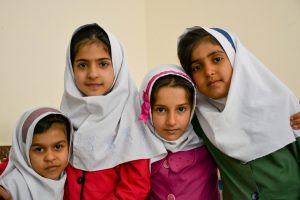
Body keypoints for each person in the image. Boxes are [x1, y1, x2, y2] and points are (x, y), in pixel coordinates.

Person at [177, 26, 300, 200]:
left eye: (217, 59)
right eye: (197, 67)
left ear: (237, 59)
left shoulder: (282, 103)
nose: (208, 71)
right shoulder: (198, 118)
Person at [60, 23, 163, 200]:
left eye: (103, 64)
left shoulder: (130, 118)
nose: (93, 74)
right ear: (71, 69)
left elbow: (135, 187)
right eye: (83, 65)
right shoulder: (65, 116)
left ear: (118, 66)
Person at [138, 64, 219, 200]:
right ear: (148, 109)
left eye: (181, 109)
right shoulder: (138, 152)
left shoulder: (210, 145)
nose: (171, 121)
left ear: (192, 107)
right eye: (161, 110)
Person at [0, 107, 71, 200]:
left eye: (58, 147)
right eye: (39, 149)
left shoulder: (71, 178)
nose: (50, 157)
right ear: (23, 152)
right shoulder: (11, 186)